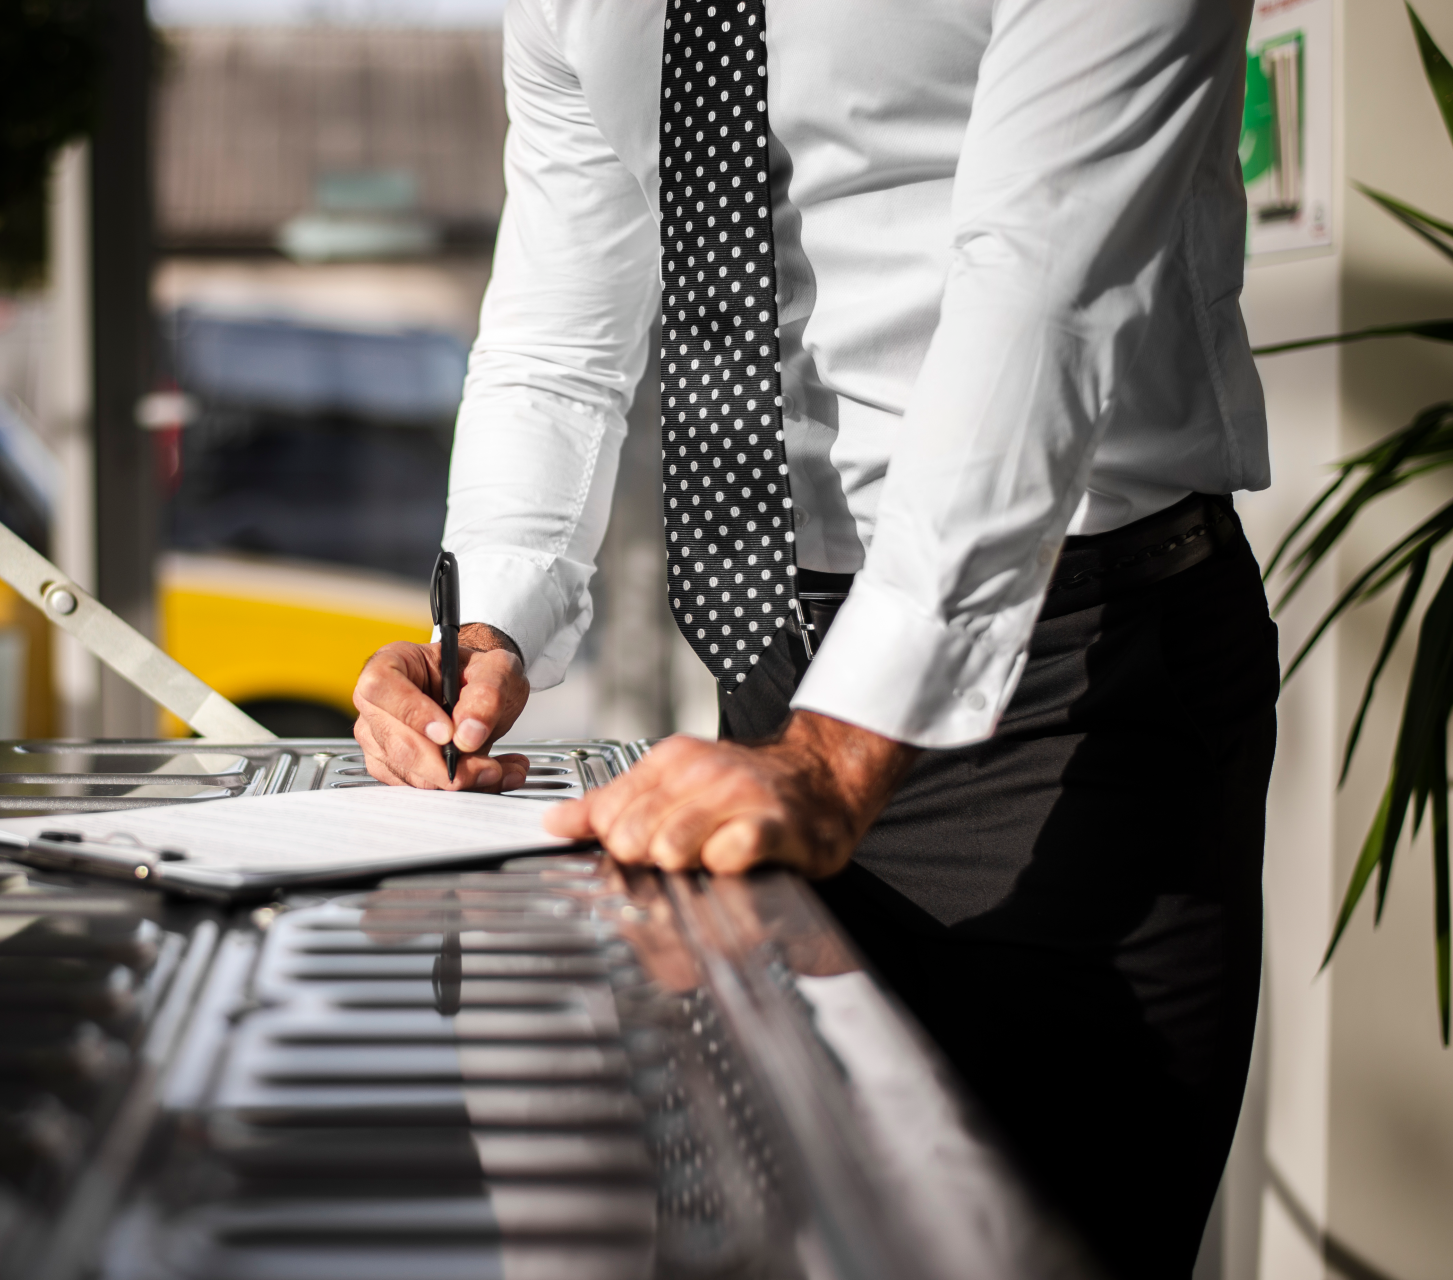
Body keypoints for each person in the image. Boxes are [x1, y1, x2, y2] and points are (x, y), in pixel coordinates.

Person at [351, 1, 1276, 1275]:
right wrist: (487, 632)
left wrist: (838, 751)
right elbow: (563, 325)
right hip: (777, 681)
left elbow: (1044, 290)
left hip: (1071, 690)